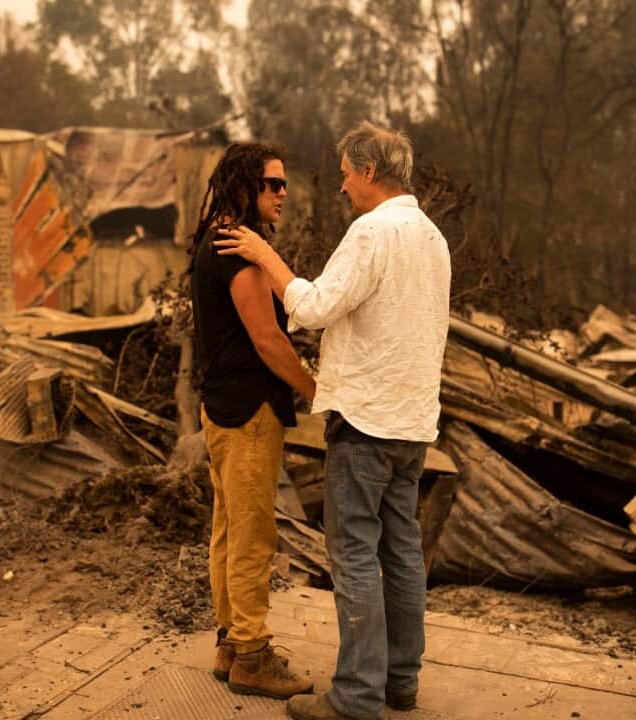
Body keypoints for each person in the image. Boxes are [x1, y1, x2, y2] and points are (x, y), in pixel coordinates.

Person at [214, 122, 451, 720]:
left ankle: (356, 696)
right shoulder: (431, 237)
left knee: (353, 556)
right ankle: (400, 682)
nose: (342, 186)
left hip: (366, 421)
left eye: (346, 173)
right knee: (400, 553)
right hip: (413, 423)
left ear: (370, 172)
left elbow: (315, 308)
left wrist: (266, 256)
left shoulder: (372, 232)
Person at [189, 142, 317, 700]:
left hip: (221, 406)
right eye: (272, 184)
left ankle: (230, 644)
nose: (282, 193)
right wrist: (318, 390)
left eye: (284, 183)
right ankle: (252, 656)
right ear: (244, 187)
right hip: (248, 412)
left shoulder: (215, 239)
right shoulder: (239, 251)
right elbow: (268, 339)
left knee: (228, 530)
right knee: (252, 535)